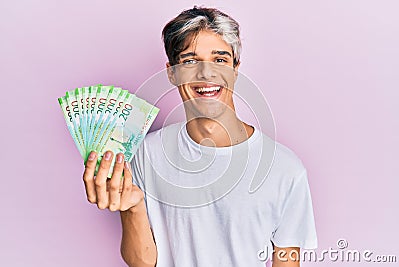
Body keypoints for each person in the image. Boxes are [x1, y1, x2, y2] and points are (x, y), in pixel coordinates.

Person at [83, 6, 317, 267]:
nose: (206, 73)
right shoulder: (145, 155)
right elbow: (144, 263)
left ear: (235, 69)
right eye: (190, 61)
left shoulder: (285, 169)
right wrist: (132, 208)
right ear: (171, 73)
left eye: (219, 60)